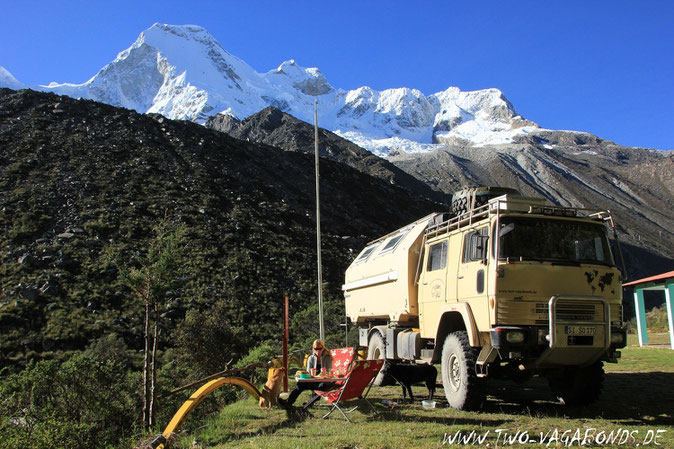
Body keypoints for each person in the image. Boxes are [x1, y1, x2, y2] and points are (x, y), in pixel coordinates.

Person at [279, 339, 337, 409]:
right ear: (313, 349)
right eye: (316, 349)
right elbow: (308, 373)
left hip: (325, 381)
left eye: (320, 348)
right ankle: (289, 402)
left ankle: (309, 402)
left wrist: (322, 375)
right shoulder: (311, 358)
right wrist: (314, 376)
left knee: (322, 386)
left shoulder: (328, 357)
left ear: (323, 348)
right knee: (300, 384)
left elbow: (329, 372)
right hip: (314, 380)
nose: (318, 351)